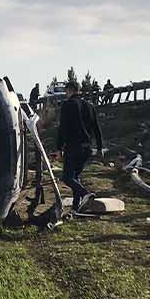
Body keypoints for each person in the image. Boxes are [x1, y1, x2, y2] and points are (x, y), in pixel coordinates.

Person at [54, 79, 103, 210]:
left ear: (69, 90)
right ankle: (77, 207)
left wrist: (59, 148)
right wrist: (99, 148)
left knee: (67, 177)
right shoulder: (90, 106)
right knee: (76, 176)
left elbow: (63, 128)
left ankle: (85, 194)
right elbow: (96, 129)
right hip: (86, 147)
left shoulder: (68, 105)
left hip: (72, 146)